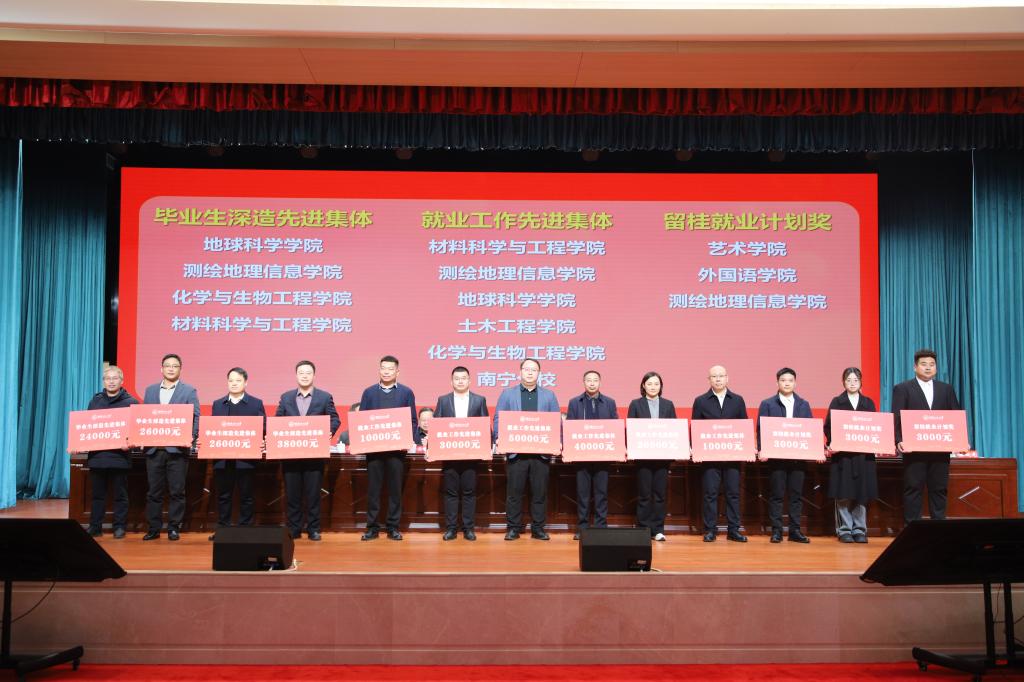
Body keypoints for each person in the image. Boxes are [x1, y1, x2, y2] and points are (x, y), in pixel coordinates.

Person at [892, 348, 964, 523]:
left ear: (936, 368)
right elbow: (896, 417)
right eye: (923, 364)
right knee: (913, 489)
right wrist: (898, 440)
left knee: (939, 489)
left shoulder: (946, 389)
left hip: (940, 450)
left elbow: (955, 416)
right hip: (914, 450)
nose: (928, 367)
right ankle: (912, 528)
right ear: (915, 367)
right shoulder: (903, 388)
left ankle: (938, 529)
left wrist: (961, 440)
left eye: (932, 364)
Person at [495, 358, 560, 541]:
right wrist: (499, 437)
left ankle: (538, 529)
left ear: (539, 373)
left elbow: (556, 421)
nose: (530, 372)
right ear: (520, 372)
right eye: (526, 369)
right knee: (514, 494)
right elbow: (499, 418)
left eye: (534, 370)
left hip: (541, 454)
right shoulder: (508, 394)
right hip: (516, 453)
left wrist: (558, 441)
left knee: (539, 493)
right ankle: (513, 528)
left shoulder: (549, 395)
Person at [276, 360, 340, 541]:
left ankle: (313, 528)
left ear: (314, 375)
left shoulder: (324, 397)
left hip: (314, 455)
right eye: (301, 373)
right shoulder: (286, 397)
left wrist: (329, 431)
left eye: (308, 373)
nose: (304, 376)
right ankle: (294, 529)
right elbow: (278, 420)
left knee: (313, 495)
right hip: (290, 455)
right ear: (296, 375)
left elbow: (335, 419)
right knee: (292, 495)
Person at [358, 355, 420, 541]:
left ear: (397, 372)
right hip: (374, 451)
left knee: (395, 491)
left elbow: (412, 420)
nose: (386, 372)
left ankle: (393, 527)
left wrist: (408, 440)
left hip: (396, 452)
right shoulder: (369, 392)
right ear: (379, 370)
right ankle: (372, 528)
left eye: (390, 369)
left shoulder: (406, 392)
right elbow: (362, 419)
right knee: (373, 490)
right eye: (383, 368)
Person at [142, 353, 200, 541]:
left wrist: (191, 437)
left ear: (180, 369)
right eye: (168, 365)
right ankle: (154, 528)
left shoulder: (189, 391)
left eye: (175, 366)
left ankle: (174, 527)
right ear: (162, 369)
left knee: (177, 492)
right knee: (154, 492)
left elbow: (195, 417)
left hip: (177, 451)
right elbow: (144, 417)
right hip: (154, 450)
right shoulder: (150, 390)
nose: (171, 369)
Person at [691, 364, 748, 543]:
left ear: (727, 378)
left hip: (732, 457)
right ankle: (710, 530)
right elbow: (695, 427)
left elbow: (744, 427)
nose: (718, 379)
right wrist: (695, 448)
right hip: (710, 457)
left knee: (733, 494)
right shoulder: (701, 401)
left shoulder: (737, 400)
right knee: (710, 494)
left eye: (721, 376)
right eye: (714, 376)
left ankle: (734, 530)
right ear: (709, 380)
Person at [208, 367, 266, 541]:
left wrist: (261, 439)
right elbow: (212, 429)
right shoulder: (218, 404)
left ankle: (245, 530)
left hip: (246, 459)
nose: (234, 383)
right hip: (223, 459)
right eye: (231, 380)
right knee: (223, 496)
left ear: (245, 383)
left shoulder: (255, 403)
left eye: (238, 380)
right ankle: (223, 530)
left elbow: (263, 428)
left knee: (246, 496)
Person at [432, 366, 489, 541]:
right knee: (451, 493)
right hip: (450, 456)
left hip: (471, 456)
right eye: (457, 378)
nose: (460, 381)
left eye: (463, 378)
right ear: (452, 382)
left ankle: (468, 528)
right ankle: (451, 529)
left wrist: (486, 447)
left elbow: (485, 426)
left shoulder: (479, 400)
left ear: (469, 380)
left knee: (469, 492)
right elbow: (436, 426)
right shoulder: (443, 400)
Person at [757, 367, 812, 544]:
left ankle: (795, 531)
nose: (787, 383)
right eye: (783, 380)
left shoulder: (803, 404)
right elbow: (761, 429)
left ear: (795, 383)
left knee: (796, 496)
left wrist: (816, 450)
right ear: (777, 383)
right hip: (777, 459)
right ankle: (777, 531)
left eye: (790, 380)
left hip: (797, 459)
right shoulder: (767, 404)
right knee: (777, 496)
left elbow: (810, 430)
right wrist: (762, 449)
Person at [824, 367, 879, 544]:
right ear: (843, 382)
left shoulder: (868, 403)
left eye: (855, 380)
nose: (852, 383)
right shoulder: (837, 401)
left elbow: (875, 426)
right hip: (844, 457)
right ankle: (845, 530)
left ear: (861, 382)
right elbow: (828, 426)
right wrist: (834, 442)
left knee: (862, 493)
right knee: (843, 493)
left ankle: (860, 529)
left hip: (863, 457)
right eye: (848, 380)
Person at [83, 365, 138, 538]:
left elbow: (136, 431)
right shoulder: (95, 401)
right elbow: (87, 426)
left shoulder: (131, 402)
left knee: (120, 495)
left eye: (115, 378)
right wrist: (80, 442)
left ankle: (119, 527)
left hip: (119, 457)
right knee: (97, 495)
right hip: (97, 456)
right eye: (108, 378)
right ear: (103, 382)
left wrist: (130, 442)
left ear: (122, 381)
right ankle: (95, 526)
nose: (111, 382)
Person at [565, 370, 618, 540]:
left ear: (600, 383)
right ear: (584, 382)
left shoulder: (609, 402)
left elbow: (615, 427)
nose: (592, 383)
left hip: (603, 456)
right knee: (583, 494)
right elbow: (569, 427)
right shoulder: (575, 402)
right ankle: (582, 528)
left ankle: (601, 528)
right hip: (582, 456)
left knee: (601, 493)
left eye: (595, 380)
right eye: (589, 380)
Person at [627, 371, 676, 542]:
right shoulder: (635, 404)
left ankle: (658, 529)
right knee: (644, 495)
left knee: (660, 495)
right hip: (643, 458)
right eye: (649, 384)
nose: (653, 387)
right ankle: (643, 528)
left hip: (663, 458)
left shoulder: (668, 405)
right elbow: (631, 429)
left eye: (656, 384)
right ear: (643, 386)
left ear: (661, 386)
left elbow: (674, 429)